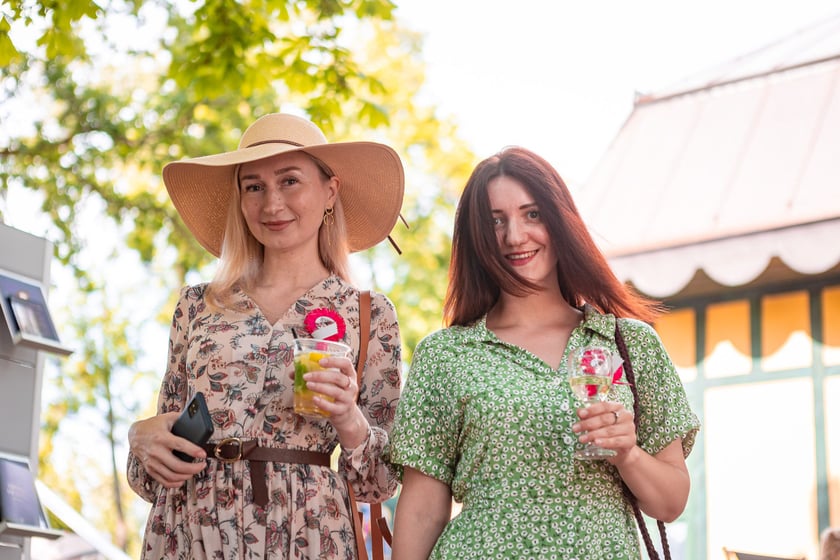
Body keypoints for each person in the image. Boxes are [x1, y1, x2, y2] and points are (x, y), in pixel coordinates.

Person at [388, 146, 700, 559]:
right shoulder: (446, 354)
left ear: (560, 221)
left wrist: (628, 454)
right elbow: (421, 513)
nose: (515, 236)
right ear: (478, 237)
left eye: (532, 214)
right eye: (495, 221)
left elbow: (671, 503)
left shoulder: (630, 343)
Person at [127, 112, 405, 559]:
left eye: (289, 181)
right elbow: (154, 468)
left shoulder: (368, 315)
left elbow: (382, 482)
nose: (271, 204)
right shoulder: (197, 305)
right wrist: (141, 439)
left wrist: (348, 419)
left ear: (330, 190)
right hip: (190, 530)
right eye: (253, 186)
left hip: (309, 532)